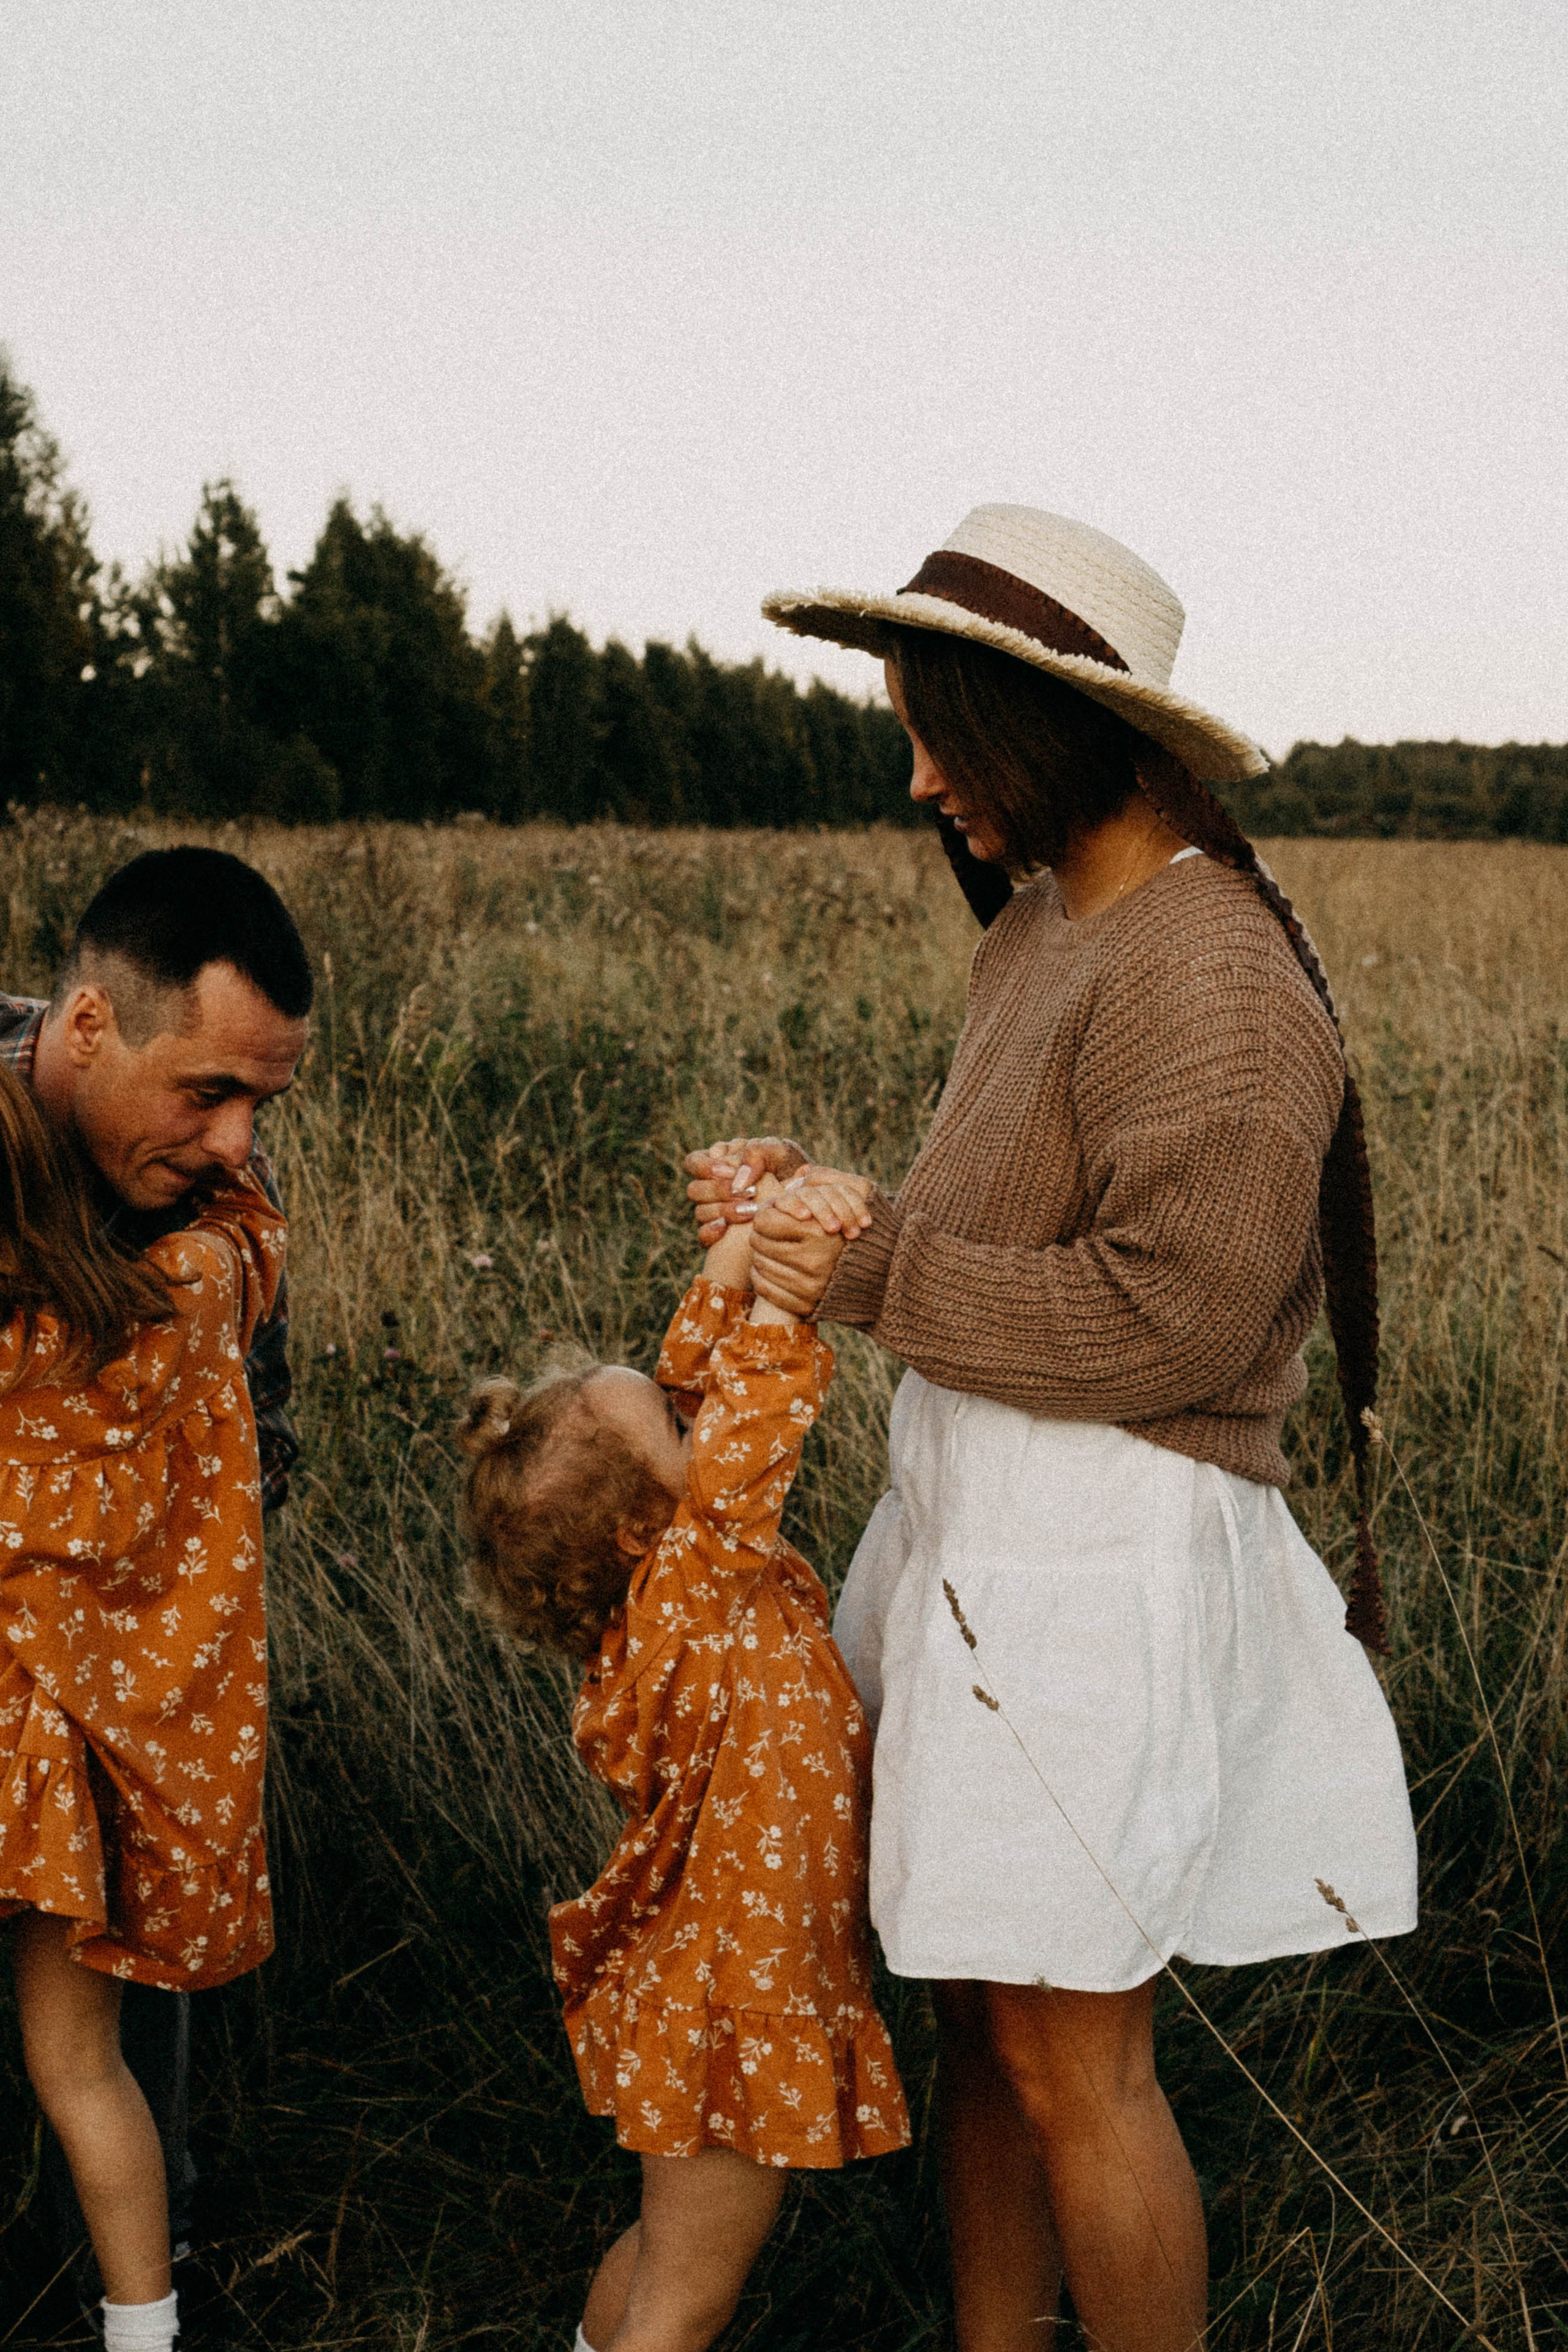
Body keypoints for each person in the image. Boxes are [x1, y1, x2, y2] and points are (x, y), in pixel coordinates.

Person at [685, 505, 1419, 2352]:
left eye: (946, 730)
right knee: (974, 2014)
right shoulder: (1043, 934)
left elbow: (1173, 1314)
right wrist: (822, 1211)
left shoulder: (1219, 975)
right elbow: (1003, 1231)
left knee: (1075, 2053)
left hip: (1100, 1562)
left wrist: (863, 1277)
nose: (923, 774)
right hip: (980, 1527)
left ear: (1056, 727)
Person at [458, 1172, 909, 2352]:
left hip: (705, 1978)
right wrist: (785, 1284)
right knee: (690, 2297)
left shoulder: (660, 1602)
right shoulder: (700, 1584)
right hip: (739, 1995)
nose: (687, 1408)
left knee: (665, 2256)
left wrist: (737, 1251)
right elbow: (749, 1414)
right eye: (669, 1422)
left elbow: (697, 1384)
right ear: (637, 1527)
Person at [0, 845, 311, 2302]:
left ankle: (144, 2267)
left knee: (117, 2023)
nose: (240, 1141)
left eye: (265, 1101)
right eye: (207, 1092)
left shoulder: (213, 1204)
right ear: (85, 1027)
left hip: (127, 1712)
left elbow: (270, 1424)